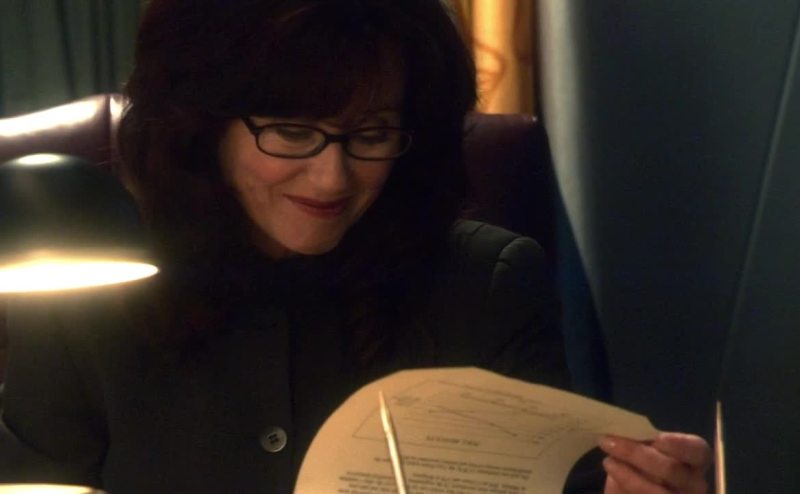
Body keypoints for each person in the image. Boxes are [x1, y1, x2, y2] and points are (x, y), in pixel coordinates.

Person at [0, 1, 710, 492]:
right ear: (201, 124)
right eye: (293, 132)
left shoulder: (486, 282)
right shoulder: (78, 282)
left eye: (371, 134)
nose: (333, 177)